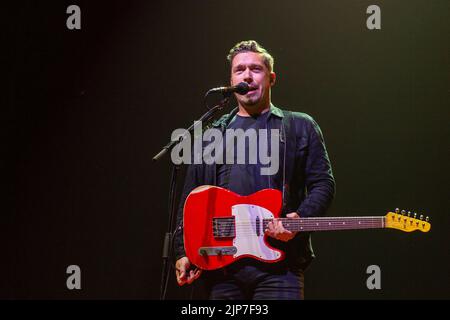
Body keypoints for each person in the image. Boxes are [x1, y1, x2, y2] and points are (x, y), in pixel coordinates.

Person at [173, 40, 335, 300]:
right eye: (239, 70)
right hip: (221, 268)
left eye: (255, 69)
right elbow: (191, 195)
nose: (247, 75)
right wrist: (182, 251)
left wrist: (299, 218)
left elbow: (323, 184)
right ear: (231, 80)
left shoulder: (299, 126)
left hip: (280, 269)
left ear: (271, 78)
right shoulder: (212, 133)